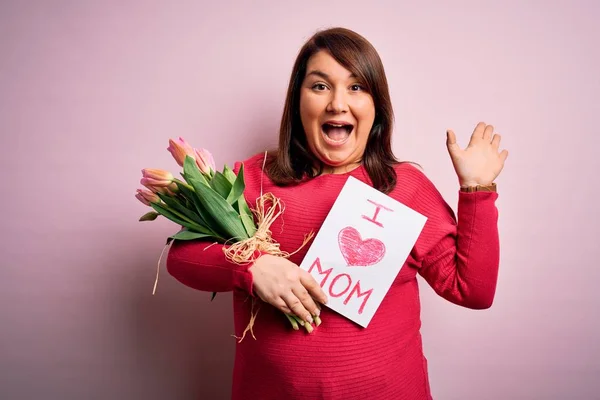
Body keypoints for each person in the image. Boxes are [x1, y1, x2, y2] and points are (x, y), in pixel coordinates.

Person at [166, 27, 508, 400]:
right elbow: (180, 259)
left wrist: (476, 191)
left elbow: (472, 290)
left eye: (357, 87)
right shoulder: (253, 177)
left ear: (377, 106)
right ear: (298, 101)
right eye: (320, 86)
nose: (337, 104)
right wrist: (252, 268)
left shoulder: (405, 187)